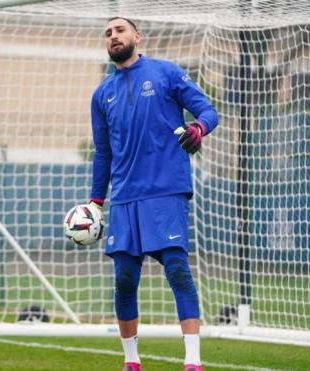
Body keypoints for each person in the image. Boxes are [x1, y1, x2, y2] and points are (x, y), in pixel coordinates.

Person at [87, 17, 218, 371]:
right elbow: (103, 153)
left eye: (120, 30)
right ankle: (131, 362)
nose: (114, 36)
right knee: (124, 279)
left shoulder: (166, 73)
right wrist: (95, 202)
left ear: (136, 37)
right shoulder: (102, 93)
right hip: (125, 198)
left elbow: (209, 111)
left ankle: (192, 361)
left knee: (177, 269)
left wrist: (198, 127)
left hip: (166, 189)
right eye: (109, 33)